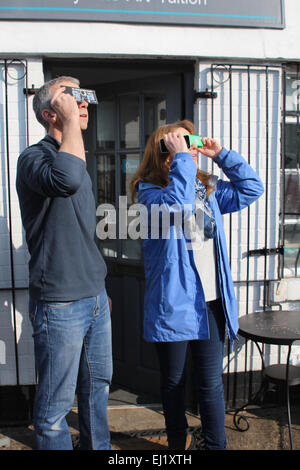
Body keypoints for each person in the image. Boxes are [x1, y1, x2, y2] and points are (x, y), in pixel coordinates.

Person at [130, 119, 264, 450]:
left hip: (212, 302)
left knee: (210, 384)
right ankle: (179, 448)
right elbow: (178, 206)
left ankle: (216, 446)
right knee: (174, 383)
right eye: (180, 142)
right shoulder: (149, 193)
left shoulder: (207, 188)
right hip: (174, 303)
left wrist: (221, 155)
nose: (190, 148)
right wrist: (184, 162)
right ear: (164, 152)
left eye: (189, 142)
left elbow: (252, 188)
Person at [16, 76, 112, 450]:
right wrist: (70, 121)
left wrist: (99, 290)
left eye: (83, 95)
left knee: (97, 391)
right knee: (55, 412)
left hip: (95, 297)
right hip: (59, 304)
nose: (81, 103)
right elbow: (67, 180)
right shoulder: (34, 158)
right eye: (69, 96)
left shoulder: (76, 156)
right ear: (48, 114)